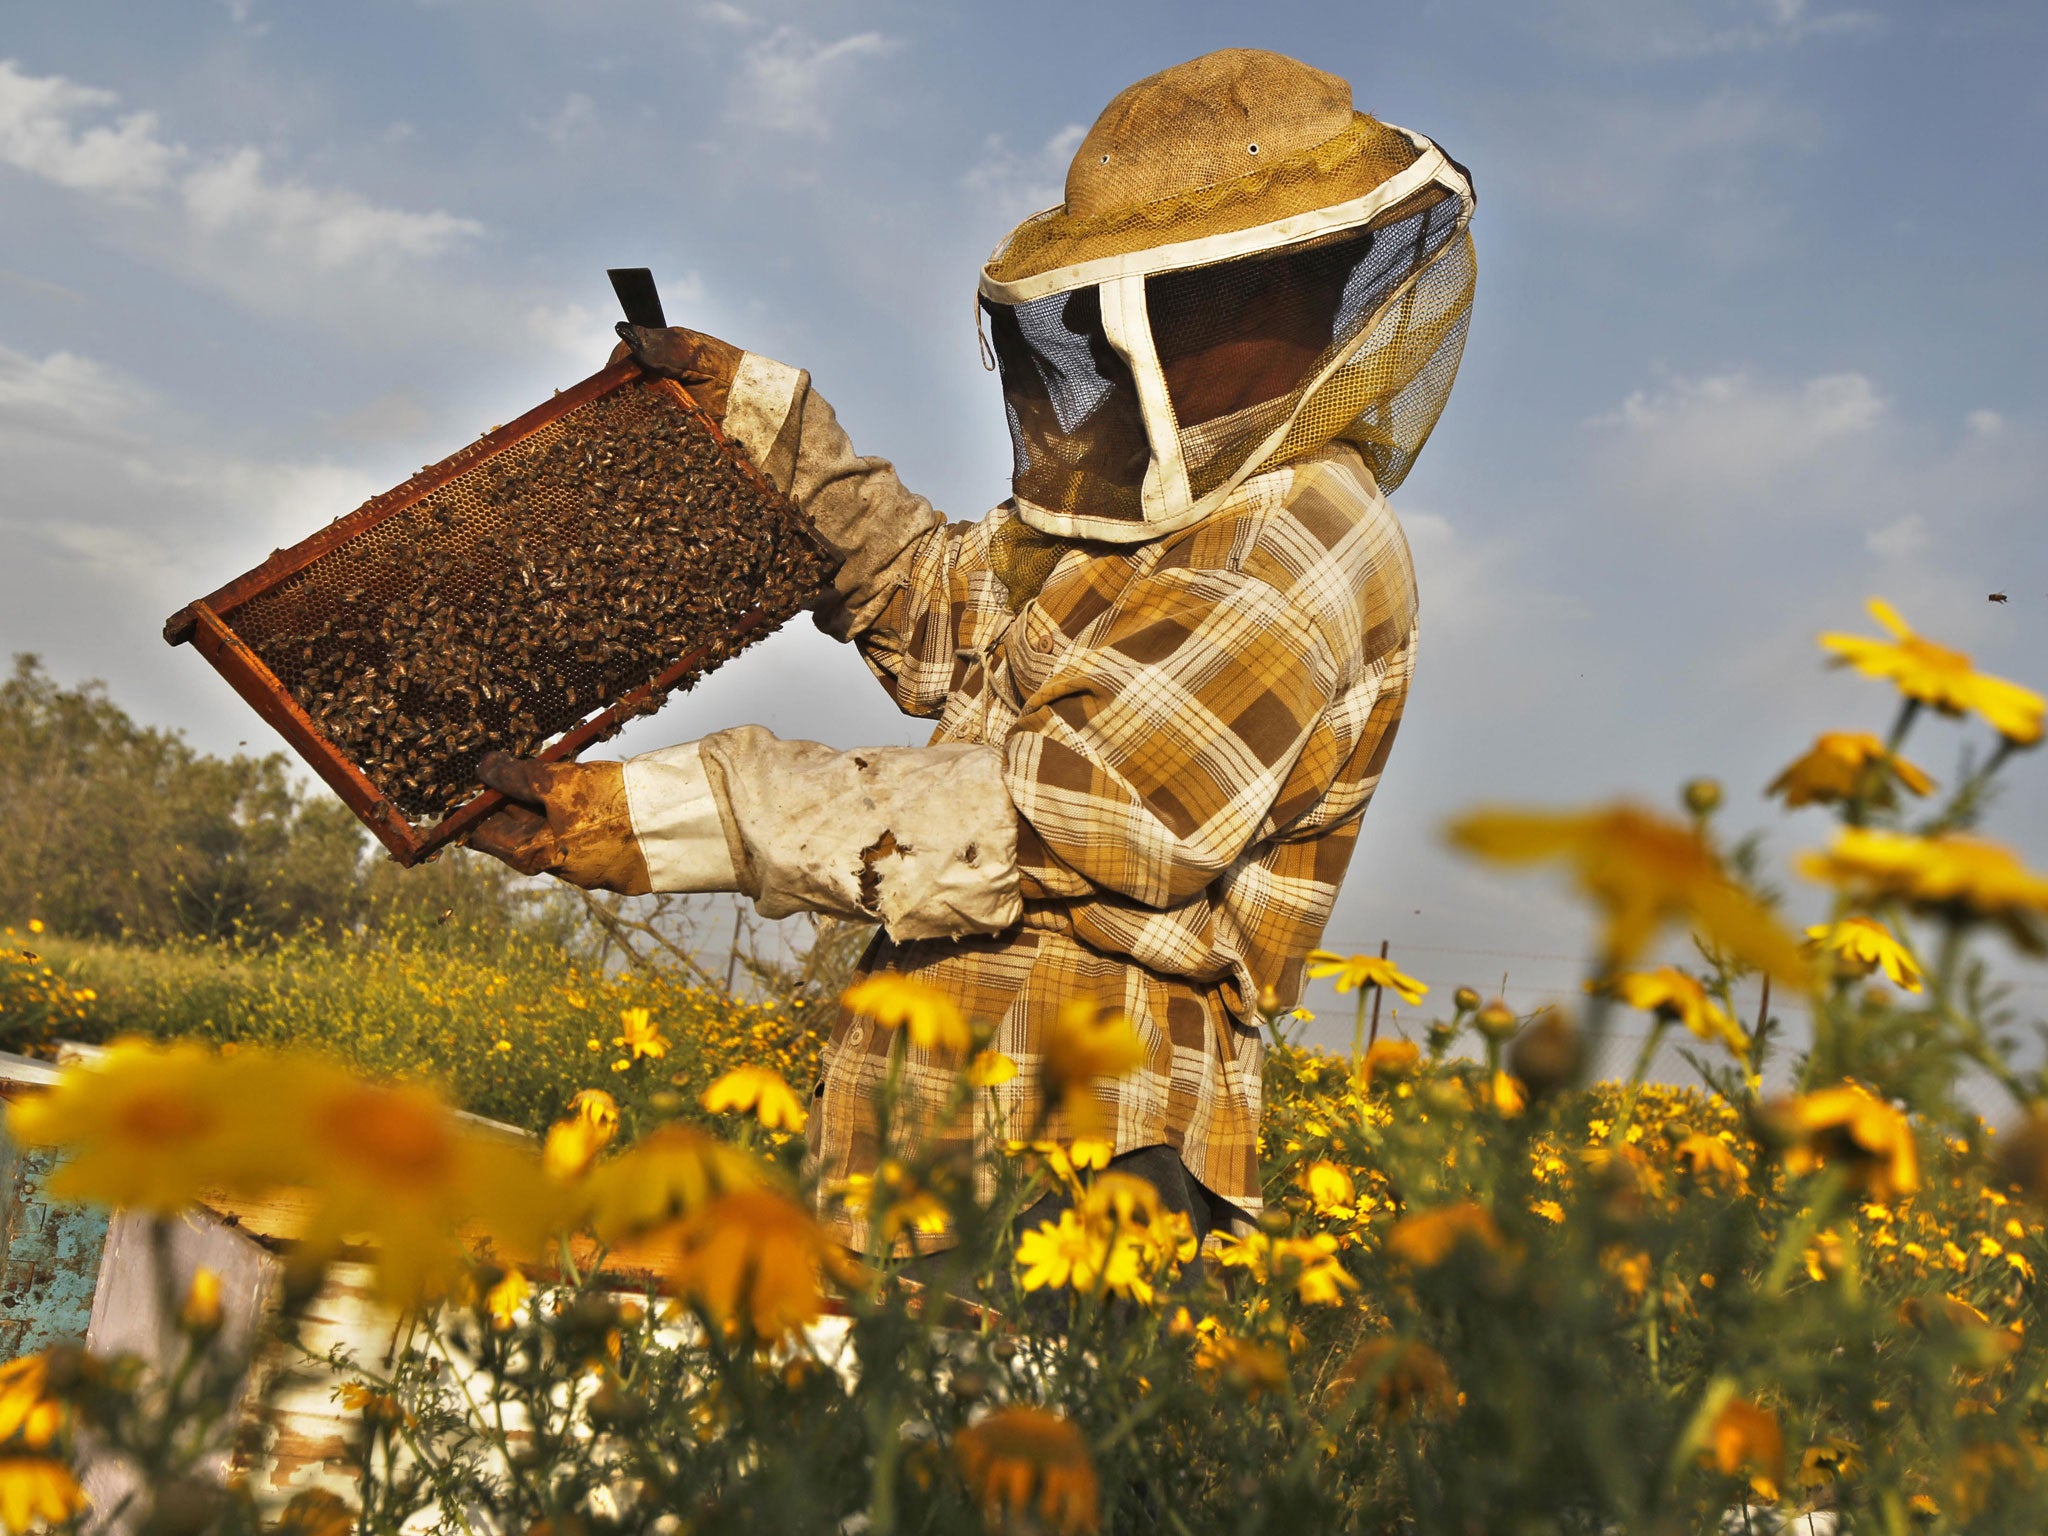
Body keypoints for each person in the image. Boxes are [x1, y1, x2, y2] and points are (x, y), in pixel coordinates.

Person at [468, 48, 1477, 1258]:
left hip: (1091, 1152)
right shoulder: (1141, 513)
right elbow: (934, 609)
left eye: (1149, 305)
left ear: (1276, 297)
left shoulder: (1297, 533)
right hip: (936, 1128)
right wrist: (768, 431)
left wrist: (679, 815)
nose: (1106, 351)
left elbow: (1064, 811)